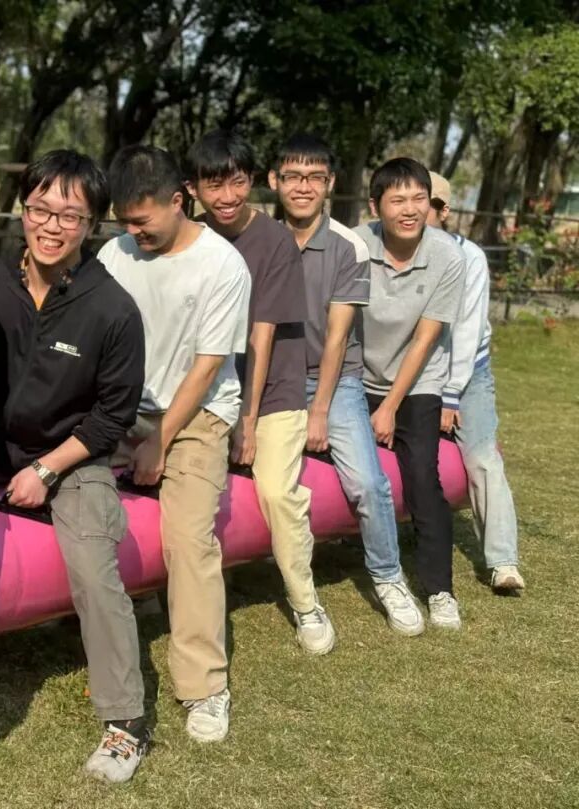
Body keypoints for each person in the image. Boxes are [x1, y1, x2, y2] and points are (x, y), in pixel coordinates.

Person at [0, 149, 149, 782]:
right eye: (39, 210)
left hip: (77, 457)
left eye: (69, 216)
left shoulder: (113, 309)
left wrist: (47, 470)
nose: (51, 226)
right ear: (23, 210)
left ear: (91, 224)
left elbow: (112, 417)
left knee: (94, 572)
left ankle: (125, 723)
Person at [99, 144, 250, 742]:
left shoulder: (223, 266)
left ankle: (205, 687)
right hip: (122, 409)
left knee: (189, 540)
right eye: (125, 223)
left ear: (179, 201)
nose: (133, 234)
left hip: (198, 414)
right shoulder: (114, 254)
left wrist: (160, 439)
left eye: (143, 222)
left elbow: (209, 366)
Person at [185, 130, 335, 654]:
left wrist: (246, 421)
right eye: (214, 186)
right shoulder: (189, 236)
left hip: (271, 390)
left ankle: (305, 601)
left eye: (237, 183)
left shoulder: (273, 242)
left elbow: (261, 336)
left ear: (253, 181)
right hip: (204, 384)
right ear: (192, 188)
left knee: (274, 490)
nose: (227, 197)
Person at [270, 133, 426, 636]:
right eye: (293, 176)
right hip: (273, 380)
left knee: (368, 484)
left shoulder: (348, 246)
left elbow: (337, 338)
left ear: (330, 184)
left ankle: (388, 577)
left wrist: (319, 411)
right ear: (275, 181)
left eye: (315, 178)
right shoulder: (260, 239)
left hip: (332, 381)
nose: (303, 187)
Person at [355, 157, 465, 630]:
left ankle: (439, 590)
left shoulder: (447, 256)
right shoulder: (355, 245)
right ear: (375, 206)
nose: (410, 209)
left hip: (417, 381)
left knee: (422, 474)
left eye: (419, 198)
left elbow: (425, 339)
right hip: (356, 375)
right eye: (397, 199)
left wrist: (390, 407)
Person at [427, 171, 524, 593]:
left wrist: (451, 395)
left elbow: (466, 332)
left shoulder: (470, 258)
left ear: (444, 211)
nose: (413, 211)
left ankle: (502, 561)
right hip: (410, 371)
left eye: (426, 204)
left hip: (465, 373)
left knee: (483, 457)